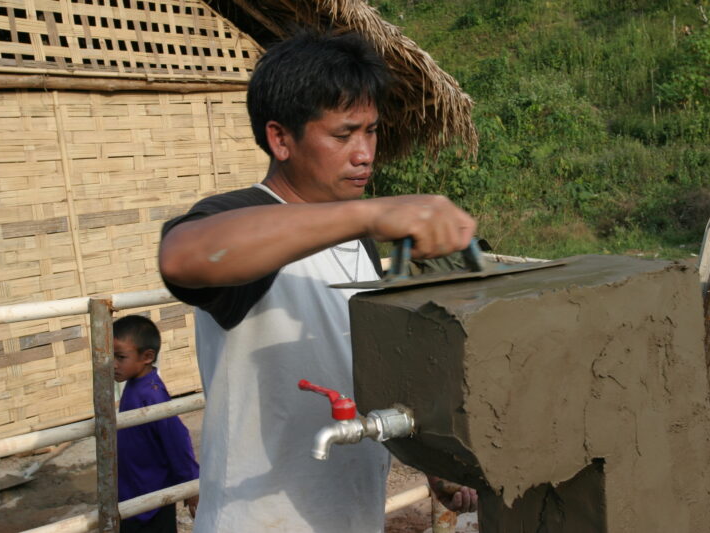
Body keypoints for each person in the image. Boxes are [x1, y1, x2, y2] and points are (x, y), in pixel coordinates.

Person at [158, 30, 477, 533]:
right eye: (343, 134)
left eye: (371, 131)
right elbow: (181, 257)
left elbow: (360, 371)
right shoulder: (244, 216)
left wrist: (429, 460)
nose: (364, 153)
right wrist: (370, 213)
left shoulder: (356, 238)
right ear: (280, 138)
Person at [113, 314, 200, 533]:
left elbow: (178, 441)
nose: (112, 364)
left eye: (120, 357)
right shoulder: (134, 385)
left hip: (152, 500)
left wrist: (191, 487)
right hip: (132, 489)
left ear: (147, 356)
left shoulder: (152, 396)